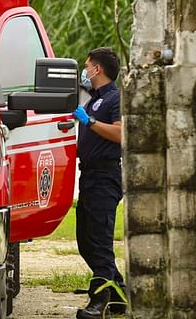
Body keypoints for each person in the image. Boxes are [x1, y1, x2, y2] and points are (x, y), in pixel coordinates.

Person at [71, 47, 125, 319]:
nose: (85, 70)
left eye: (87, 65)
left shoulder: (115, 98)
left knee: (100, 242)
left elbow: (121, 133)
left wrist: (89, 122)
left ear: (97, 69)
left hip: (106, 176)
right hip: (89, 176)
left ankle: (98, 301)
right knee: (86, 242)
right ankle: (119, 292)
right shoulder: (92, 100)